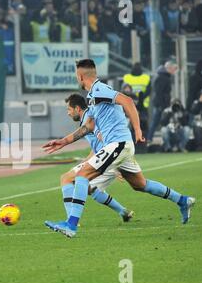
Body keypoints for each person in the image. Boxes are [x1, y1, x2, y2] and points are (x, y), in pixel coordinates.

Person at [43, 59, 195, 238]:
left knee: (82, 175)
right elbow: (88, 126)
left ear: (81, 76)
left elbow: (127, 101)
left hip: (118, 144)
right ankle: (182, 200)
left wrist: (138, 129)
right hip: (120, 146)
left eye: (76, 75)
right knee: (141, 185)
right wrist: (63, 141)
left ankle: (71, 225)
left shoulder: (100, 89)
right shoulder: (92, 97)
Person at [59, 94, 134, 222]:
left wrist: (115, 164)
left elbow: (104, 138)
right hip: (107, 156)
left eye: (69, 109)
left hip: (107, 158)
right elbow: (97, 146)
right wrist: (86, 161)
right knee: (90, 188)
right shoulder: (88, 117)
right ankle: (123, 212)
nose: (68, 113)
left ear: (77, 108)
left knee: (66, 178)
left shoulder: (89, 118)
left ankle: (70, 221)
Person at [147, 60, 179, 143]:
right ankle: (149, 139)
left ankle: (150, 139)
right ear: (169, 68)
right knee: (158, 122)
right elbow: (159, 93)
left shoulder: (162, 75)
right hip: (161, 104)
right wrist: (163, 105)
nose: (174, 71)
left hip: (161, 104)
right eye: (173, 69)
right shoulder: (162, 77)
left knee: (158, 122)